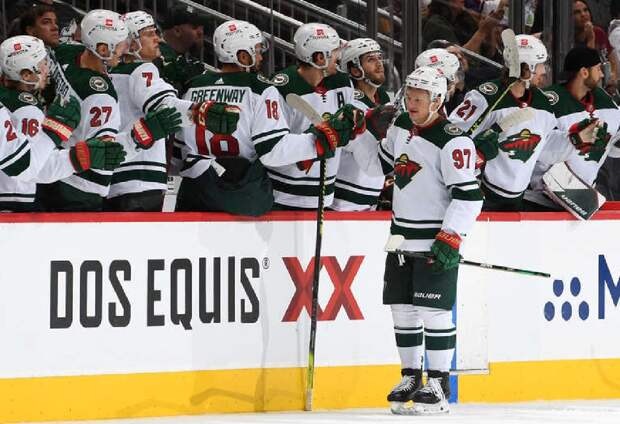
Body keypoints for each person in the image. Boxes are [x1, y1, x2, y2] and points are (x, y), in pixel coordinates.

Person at [380, 67, 483, 414]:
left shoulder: (454, 140)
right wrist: (367, 133)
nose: (411, 103)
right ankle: (411, 377)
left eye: (418, 99)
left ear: (437, 100)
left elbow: (469, 196)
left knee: (434, 313)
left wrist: (451, 237)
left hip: (433, 240)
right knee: (403, 311)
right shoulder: (400, 127)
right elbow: (383, 164)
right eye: (408, 97)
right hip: (400, 238)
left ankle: (438, 384)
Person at [176, 20, 357, 216]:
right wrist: (317, 141)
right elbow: (272, 150)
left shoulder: (193, 86)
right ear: (242, 56)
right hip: (241, 194)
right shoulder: (260, 89)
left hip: (195, 191)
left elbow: (178, 153)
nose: (261, 56)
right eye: (256, 50)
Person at [40, 9, 181, 212]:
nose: (125, 48)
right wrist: (144, 134)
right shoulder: (101, 94)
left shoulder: (65, 53)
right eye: (120, 44)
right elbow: (105, 152)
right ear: (103, 48)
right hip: (81, 187)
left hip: (52, 171)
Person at [106, 11, 225, 211]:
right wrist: (203, 112)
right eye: (149, 34)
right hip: (141, 179)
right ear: (130, 43)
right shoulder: (142, 70)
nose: (158, 39)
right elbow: (166, 106)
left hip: (111, 178)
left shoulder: (107, 74)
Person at [0, 35, 126, 211]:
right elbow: (26, 166)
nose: (47, 69)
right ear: (26, 75)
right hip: (12, 201)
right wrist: (57, 134)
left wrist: (77, 157)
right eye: (42, 64)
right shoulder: (26, 108)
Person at [449, 34, 557, 211]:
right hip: (481, 199)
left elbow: (547, 146)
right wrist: (475, 154)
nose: (543, 71)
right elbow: (450, 139)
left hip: (520, 198)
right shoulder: (485, 97)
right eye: (539, 65)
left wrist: (574, 140)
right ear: (526, 69)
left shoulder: (543, 103)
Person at [268, 23, 366, 210]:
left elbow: (344, 138)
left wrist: (355, 127)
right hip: (283, 197)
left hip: (325, 196)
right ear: (320, 58)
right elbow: (273, 147)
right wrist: (312, 147)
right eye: (335, 52)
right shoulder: (280, 88)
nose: (339, 57)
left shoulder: (343, 82)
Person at [526, 46, 620, 208]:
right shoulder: (547, 101)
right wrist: (575, 139)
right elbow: (533, 146)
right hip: (543, 198)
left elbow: (612, 146)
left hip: (585, 199)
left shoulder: (605, 101)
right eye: (598, 69)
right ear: (584, 72)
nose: (602, 75)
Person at [331, 38, 391, 211]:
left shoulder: (383, 97)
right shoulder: (348, 101)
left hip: (372, 195)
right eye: (371, 60)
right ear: (355, 70)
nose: (379, 64)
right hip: (344, 198)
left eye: (379, 58)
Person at [157, 4, 209, 93]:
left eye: (202, 28)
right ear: (177, 31)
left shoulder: (190, 61)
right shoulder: (157, 55)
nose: (201, 32)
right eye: (195, 27)